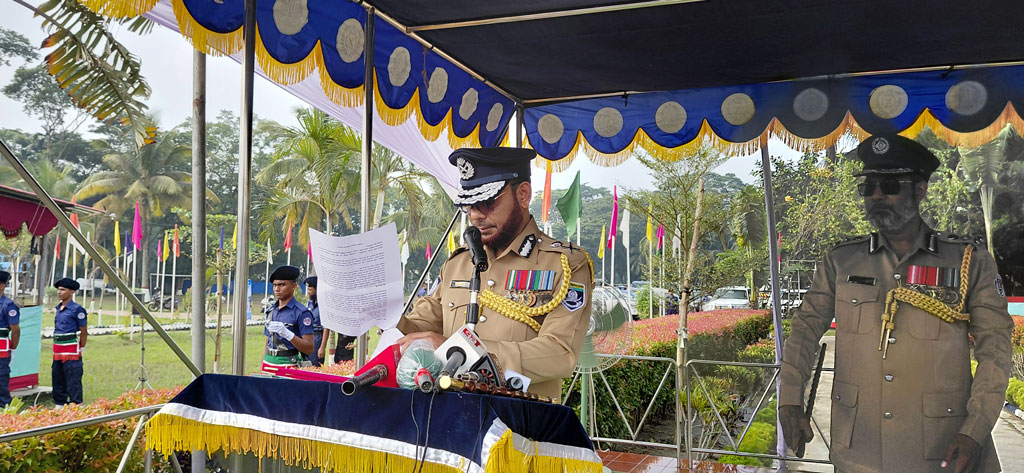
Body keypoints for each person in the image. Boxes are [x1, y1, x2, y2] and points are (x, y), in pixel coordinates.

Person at [779, 134, 1013, 473]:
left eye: (889, 185)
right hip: (859, 451)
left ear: (920, 189)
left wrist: (975, 430)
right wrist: (790, 399)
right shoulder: (841, 262)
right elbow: (804, 330)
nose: (876, 195)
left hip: (942, 449)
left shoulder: (967, 261)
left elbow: (996, 351)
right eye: (868, 187)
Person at [397, 147, 594, 401]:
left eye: (488, 203)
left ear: (523, 195)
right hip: (448, 416)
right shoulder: (458, 263)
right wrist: (383, 314)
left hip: (520, 419)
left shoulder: (564, 264)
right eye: (469, 205)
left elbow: (559, 353)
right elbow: (417, 329)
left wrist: (460, 351)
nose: (476, 215)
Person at [262, 266, 315, 373]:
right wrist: (262, 365)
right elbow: (268, 341)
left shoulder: (301, 312)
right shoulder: (271, 311)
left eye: (282, 285)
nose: (277, 289)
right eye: (275, 285)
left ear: (293, 286)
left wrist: (288, 334)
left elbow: (309, 348)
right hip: (268, 362)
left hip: (288, 363)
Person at [52, 277, 87, 405]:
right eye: (58, 290)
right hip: (58, 350)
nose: (59, 292)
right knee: (57, 377)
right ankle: (59, 404)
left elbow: (84, 331)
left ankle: (75, 404)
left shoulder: (77, 310)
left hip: (71, 350)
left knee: (73, 378)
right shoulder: (58, 308)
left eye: (63, 290)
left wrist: (81, 348)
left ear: (71, 292)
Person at [0, 271, 21, 407]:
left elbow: (15, 330)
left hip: (1, 351)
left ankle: (4, 410)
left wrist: (12, 350)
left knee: (1, 381)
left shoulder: (8, 305)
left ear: (2, 286)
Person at [303, 276, 331, 367]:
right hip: (307, 336)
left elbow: (326, 328)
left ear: (317, 289)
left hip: (317, 337)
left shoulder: (324, 306)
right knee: (305, 365)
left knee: (314, 365)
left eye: (310, 290)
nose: (308, 292)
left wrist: (322, 347)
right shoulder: (310, 303)